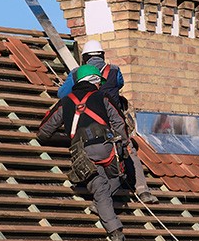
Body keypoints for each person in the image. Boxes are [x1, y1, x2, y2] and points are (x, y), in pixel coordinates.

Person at [38, 65, 131, 241]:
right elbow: (119, 121)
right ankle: (106, 214)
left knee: (100, 188)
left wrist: (63, 138)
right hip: (107, 147)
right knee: (118, 176)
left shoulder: (65, 101)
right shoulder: (103, 96)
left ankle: (114, 230)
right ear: (95, 80)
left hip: (83, 152)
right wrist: (124, 143)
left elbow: (44, 131)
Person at [57, 40, 158, 204]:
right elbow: (119, 85)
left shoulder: (77, 73)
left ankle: (95, 188)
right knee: (128, 151)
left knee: (90, 153)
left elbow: (62, 94)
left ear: (84, 58)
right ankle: (143, 191)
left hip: (92, 126)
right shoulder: (115, 71)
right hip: (114, 123)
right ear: (102, 55)